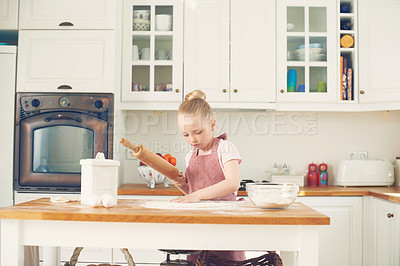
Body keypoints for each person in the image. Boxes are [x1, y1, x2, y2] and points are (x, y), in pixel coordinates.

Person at [171, 89, 246, 262]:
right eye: (186, 134)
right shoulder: (190, 156)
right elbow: (194, 191)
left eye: (198, 132)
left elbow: (233, 183)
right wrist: (181, 185)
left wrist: (195, 195)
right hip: (199, 225)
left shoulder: (224, 148)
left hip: (225, 224)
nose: (192, 139)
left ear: (212, 125)